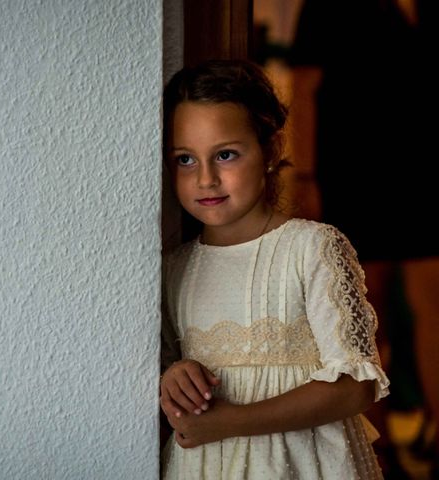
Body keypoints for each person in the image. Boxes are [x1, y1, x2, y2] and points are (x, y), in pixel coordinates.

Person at [159, 59, 389, 479]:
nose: (206, 179)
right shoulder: (174, 267)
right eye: (186, 159)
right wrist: (173, 377)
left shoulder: (312, 247)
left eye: (225, 154)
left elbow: (356, 386)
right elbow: (160, 369)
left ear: (270, 150)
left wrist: (228, 422)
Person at [289, 1, 439, 477]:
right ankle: (373, 446)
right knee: (362, 315)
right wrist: (306, 175)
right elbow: (305, 86)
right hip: (355, 169)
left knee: (434, 304)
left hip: (425, 169)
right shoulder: (328, 6)